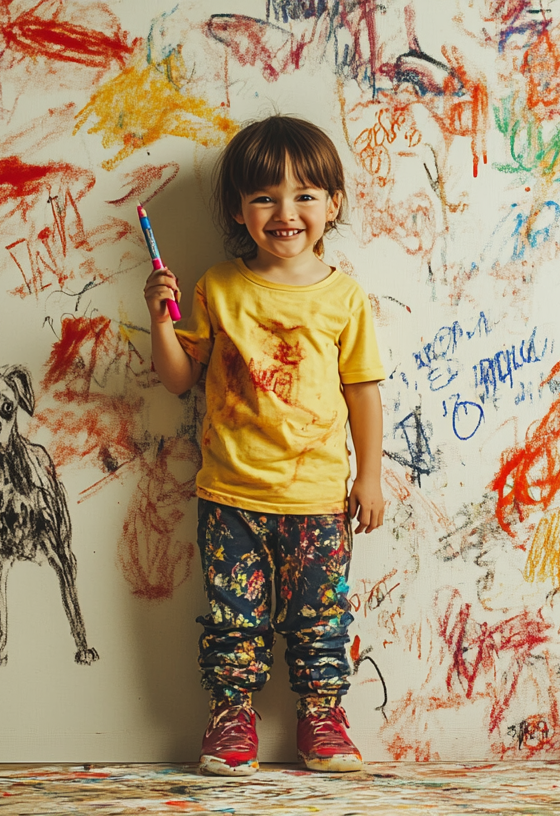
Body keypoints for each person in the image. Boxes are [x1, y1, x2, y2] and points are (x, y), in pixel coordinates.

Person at [144, 115, 386, 776]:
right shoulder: (219, 287)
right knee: (232, 620)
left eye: (306, 195)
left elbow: (364, 392)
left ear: (333, 203)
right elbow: (178, 379)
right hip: (229, 494)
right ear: (237, 208)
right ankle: (231, 716)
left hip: (317, 497)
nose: (286, 212)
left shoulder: (344, 298)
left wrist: (371, 478)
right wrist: (161, 321)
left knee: (321, 619)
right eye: (264, 197)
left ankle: (322, 718)